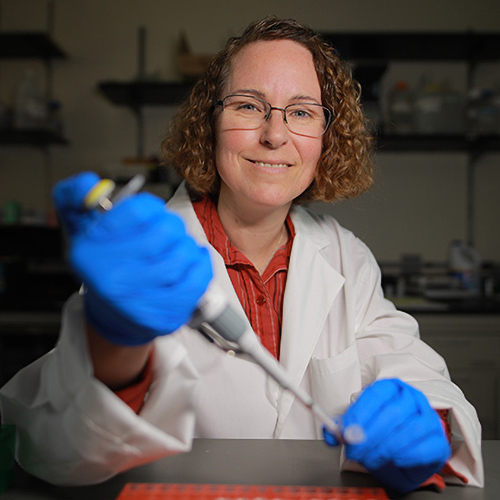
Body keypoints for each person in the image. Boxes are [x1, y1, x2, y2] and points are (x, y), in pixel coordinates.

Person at [0, 17, 483, 492]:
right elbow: (59, 445)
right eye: (249, 106)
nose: (275, 135)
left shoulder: (345, 256)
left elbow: (410, 368)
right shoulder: (148, 256)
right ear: (210, 124)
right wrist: (116, 342)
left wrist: (427, 422)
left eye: (301, 111)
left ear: (325, 137)